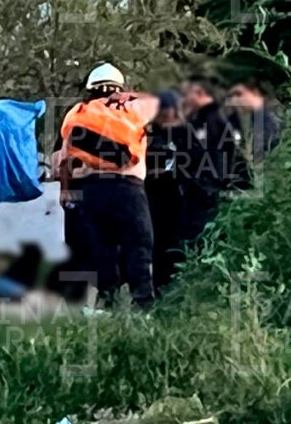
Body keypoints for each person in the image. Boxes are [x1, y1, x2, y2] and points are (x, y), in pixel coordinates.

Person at [59, 63, 159, 307]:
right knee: (139, 245)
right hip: (128, 189)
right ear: (120, 87)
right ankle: (143, 305)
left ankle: (107, 303)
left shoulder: (79, 111)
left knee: (100, 249)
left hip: (90, 189)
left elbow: (65, 161)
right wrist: (134, 94)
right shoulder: (131, 105)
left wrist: (65, 191)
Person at [178, 75, 240, 244]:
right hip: (199, 191)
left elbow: (221, 157)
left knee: (198, 239)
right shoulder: (200, 119)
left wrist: (204, 183)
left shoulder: (213, 120)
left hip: (205, 195)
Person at [145, 89, 187, 293]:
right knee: (157, 244)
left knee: (170, 243)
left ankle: (169, 288)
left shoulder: (182, 133)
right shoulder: (145, 133)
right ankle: (160, 287)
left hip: (173, 194)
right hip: (151, 193)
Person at [227, 79, 281, 166]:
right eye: (231, 96)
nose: (235, 99)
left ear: (254, 92)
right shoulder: (235, 118)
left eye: (239, 94)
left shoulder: (268, 117)